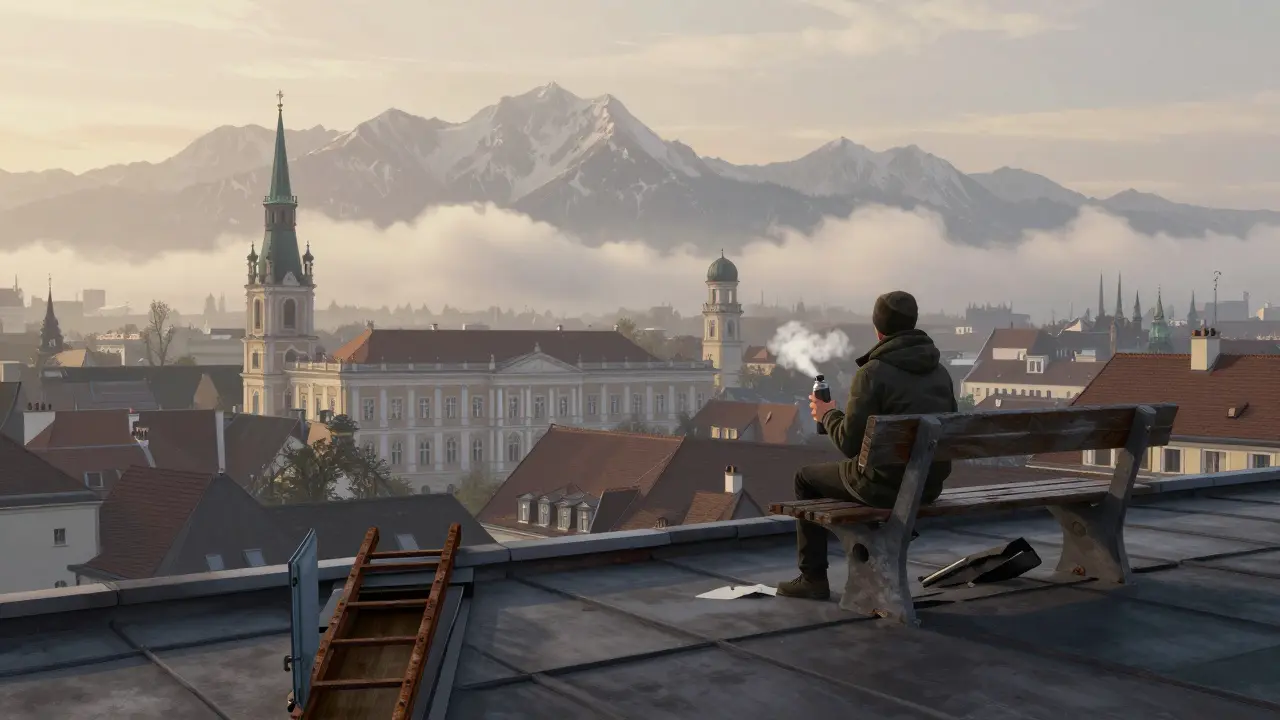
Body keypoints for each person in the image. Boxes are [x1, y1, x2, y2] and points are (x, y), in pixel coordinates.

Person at [776, 290, 957, 600]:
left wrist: (827, 413)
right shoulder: (939, 372)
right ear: (913, 323)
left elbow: (850, 444)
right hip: (928, 484)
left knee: (805, 478)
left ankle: (813, 578)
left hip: (885, 487)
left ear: (878, 330)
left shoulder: (872, 373)